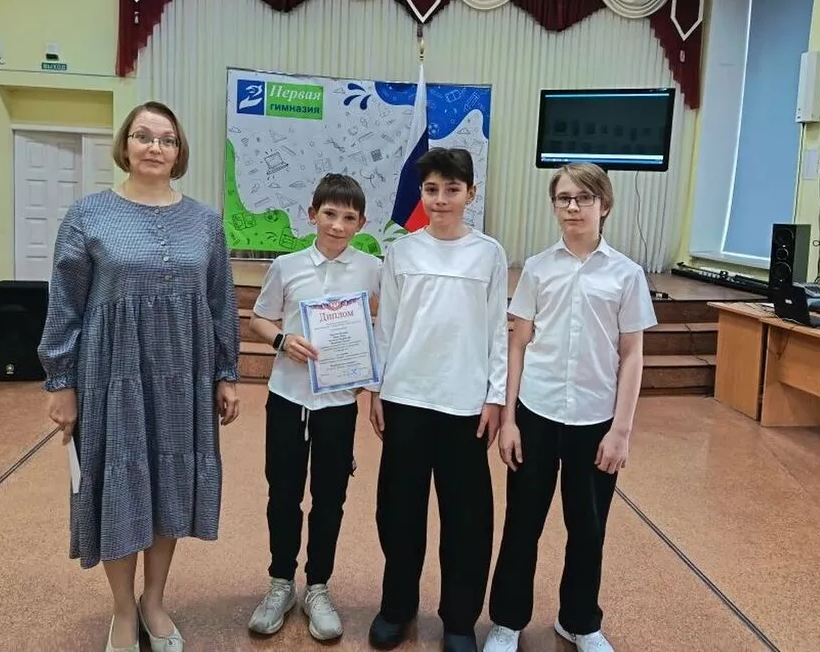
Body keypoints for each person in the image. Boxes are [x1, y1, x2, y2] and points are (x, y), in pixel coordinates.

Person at [38, 101, 242, 652]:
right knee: (120, 485)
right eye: (143, 136)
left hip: (184, 377)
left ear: (179, 152)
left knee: (169, 484)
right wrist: (61, 382)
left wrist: (226, 373)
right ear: (125, 145)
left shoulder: (205, 222)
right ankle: (123, 610)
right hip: (112, 376)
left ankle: (154, 601)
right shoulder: (88, 215)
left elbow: (220, 302)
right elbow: (65, 303)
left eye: (166, 139)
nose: (155, 147)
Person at [482, 163, 657, 652]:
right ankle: (507, 621)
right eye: (564, 198)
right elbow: (517, 344)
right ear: (554, 206)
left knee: (588, 528)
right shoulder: (538, 268)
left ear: (605, 205)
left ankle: (579, 622)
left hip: (595, 420)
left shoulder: (626, 274)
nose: (573, 207)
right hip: (536, 413)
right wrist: (510, 419)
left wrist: (621, 430)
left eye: (584, 198)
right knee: (522, 524)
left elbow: (632, 354)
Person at [367, 147, 508, 652]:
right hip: (406, 397)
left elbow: (497, 330)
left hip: (465, 404)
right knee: (399, 512)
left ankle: (459, 620)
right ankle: (397, 607)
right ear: (421, 194)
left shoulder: (489, 253)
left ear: (471, 193)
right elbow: (386, 326)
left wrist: (495, 397)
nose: (441, 199)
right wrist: (378, 388)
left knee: (467, 519)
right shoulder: (402, 252)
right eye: (431, 190)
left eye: (452, 189)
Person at [246, 173, 382, 642]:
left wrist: (368, 377)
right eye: (329, 214)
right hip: (288, 398)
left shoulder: (372, 269)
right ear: (312, 215)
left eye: (349, 217)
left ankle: (318, 587)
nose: (338, 225)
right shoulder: (286, 266)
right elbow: (260, 319)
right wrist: (282, 341)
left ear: (362, 223)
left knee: (330, 498)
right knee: (283, 494)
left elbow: (383, 326)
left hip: (338, 404)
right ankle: (280, 583)